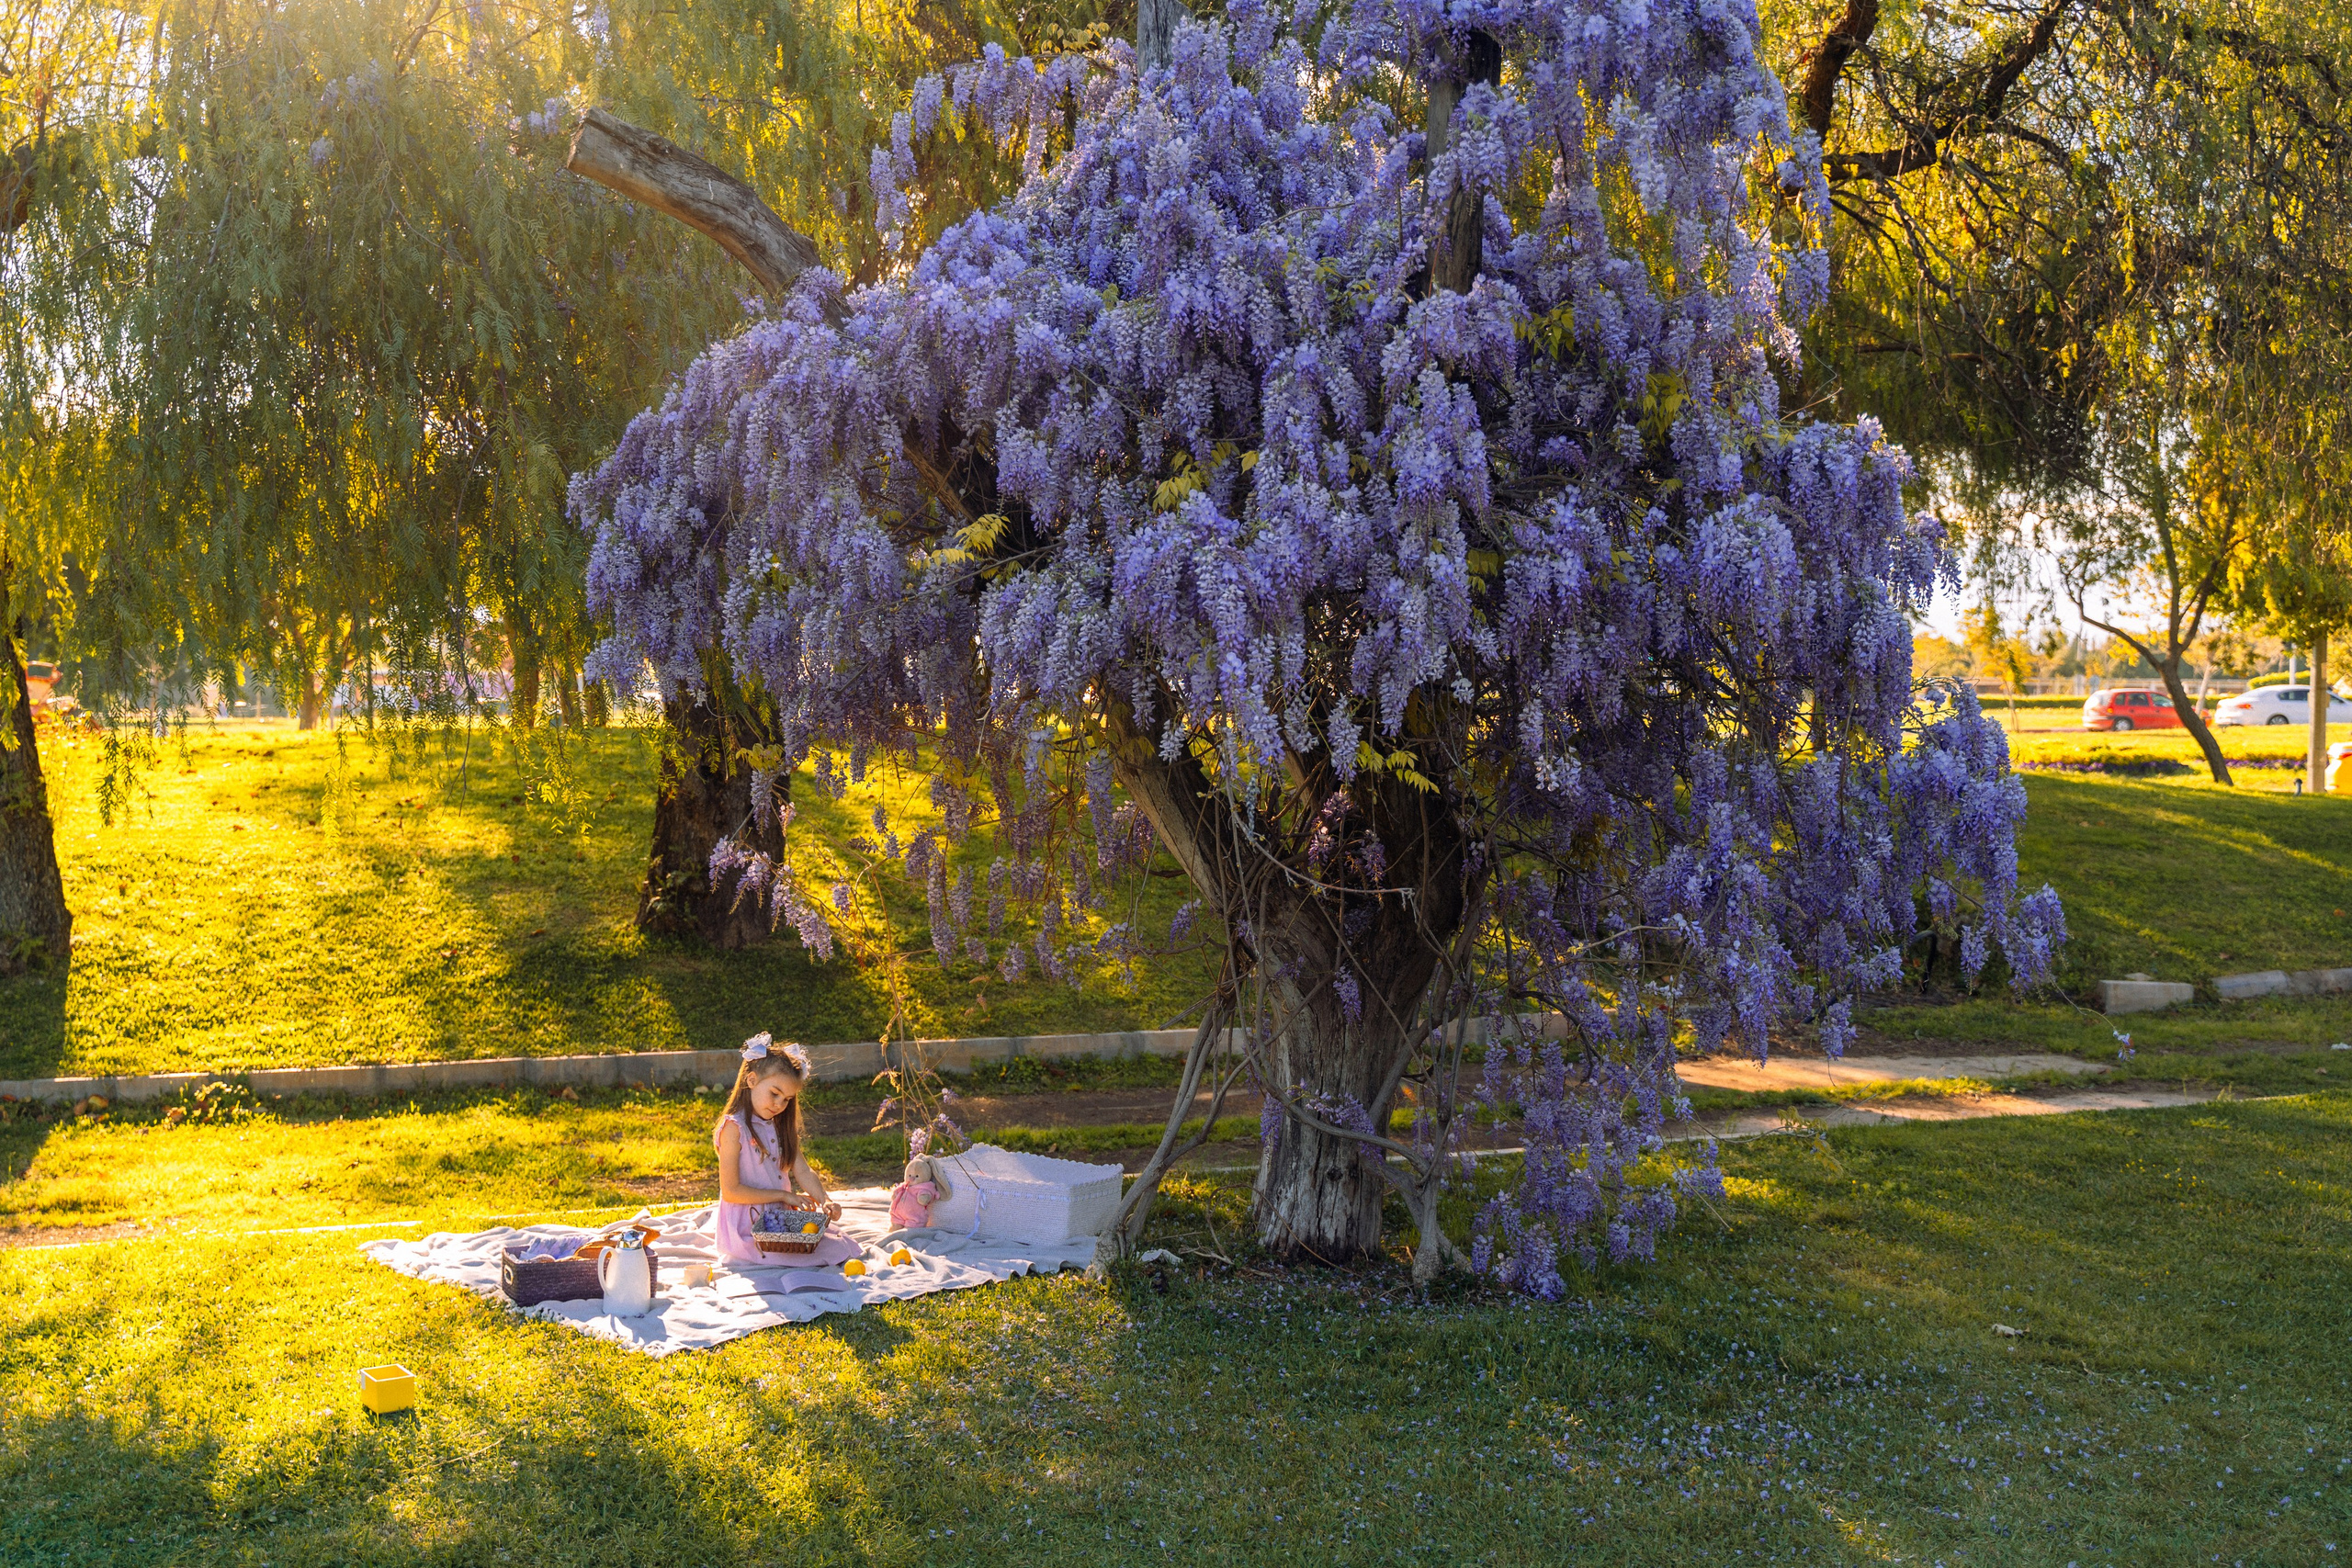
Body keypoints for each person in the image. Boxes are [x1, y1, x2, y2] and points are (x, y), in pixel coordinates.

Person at [711, 1033, 857, 1268]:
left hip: (779, 1221)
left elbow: (803, 1170)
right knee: (812, 1258)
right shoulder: (734, 1128)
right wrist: (783, 1196)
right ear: (751, 1081)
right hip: (746, 1226)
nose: (779, 1104)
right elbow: (731, 1191)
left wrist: (824, 1199)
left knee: (839, 1245)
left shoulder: (780, 1126)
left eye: (787, 1099)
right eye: (774, 1093)